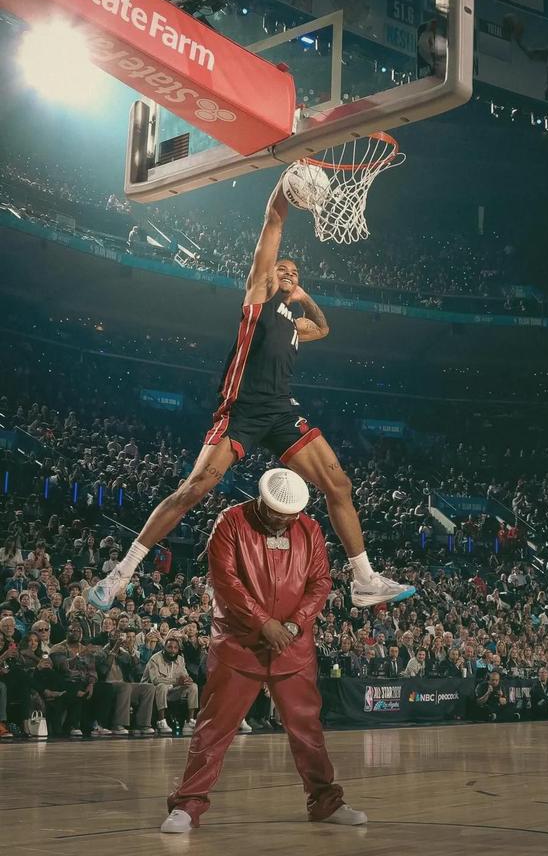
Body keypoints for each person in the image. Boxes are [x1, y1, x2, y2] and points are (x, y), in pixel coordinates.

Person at [89, 179, 414, 613]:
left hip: (280, 412)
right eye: (284, 269)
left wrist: (303, 295)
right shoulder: (259, 298)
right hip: (241, 410)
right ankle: (121, 573)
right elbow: (274, 220)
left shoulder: (293, 323)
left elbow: (323, 328)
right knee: (194, 489)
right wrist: (286, 183)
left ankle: (365, 581)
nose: (289, 274)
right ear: (269, 273)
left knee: (340, 484)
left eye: (295, 273)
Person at [160, 468, 367, 833]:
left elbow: (321, 582)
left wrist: (294, 624)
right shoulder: (230, 522)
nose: (285, 521)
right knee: (214, 728)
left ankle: (325, 802)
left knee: (307, 730)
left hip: (292, 645)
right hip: (239, 645)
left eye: (292, 516)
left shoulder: (310, 529)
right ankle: (188, 804)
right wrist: (264, 623)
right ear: (263, 503)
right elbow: (226, 581)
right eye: (278, 515)